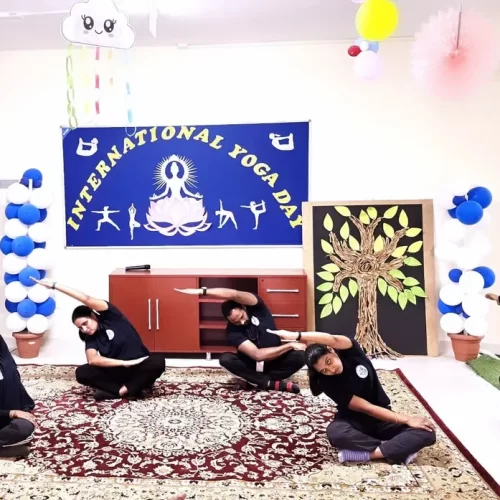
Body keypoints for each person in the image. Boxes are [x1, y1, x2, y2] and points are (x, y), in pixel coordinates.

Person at [267, 328, 437, 464]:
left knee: (427, 432)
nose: (331, 369)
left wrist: (297, 335)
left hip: (382, 417)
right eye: (324, 370)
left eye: (329, 362)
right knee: (336, 433)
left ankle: (368, 454)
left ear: (331, 350)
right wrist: (406, 420)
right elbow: (367, 408)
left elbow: (331, 338)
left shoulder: (350, 351)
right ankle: (396, 449)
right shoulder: (326, 382)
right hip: (354, 422)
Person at [32, 278, 165, 401]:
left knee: (158, 361)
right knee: (82, 372)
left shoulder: (112, 317)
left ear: (93, 315)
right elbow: (93, 359)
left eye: (85, 323)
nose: (84, 329)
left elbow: (86, 299)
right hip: (118, 370)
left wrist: (55, 286)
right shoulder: (90, 336)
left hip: (139, 365)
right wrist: (124, 363)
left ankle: (121, 390)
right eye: (80, 328)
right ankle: (127, 390)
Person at [174, 286, 305, 393]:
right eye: (236, 322)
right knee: (226, 359)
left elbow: (234, 294)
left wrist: (204, 291)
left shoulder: (258, 308)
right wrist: (289, 345)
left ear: (243, 307)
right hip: (251, 364)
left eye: (242, 316)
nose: (241, 322)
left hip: (275, 361)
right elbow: (258, 355)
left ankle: (254, 381)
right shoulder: (232, 332)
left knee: (302, 355)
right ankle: (269, 383)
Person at [0, 335, 36, 458]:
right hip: (5, 415)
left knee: (24, 427)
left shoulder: (6, 363)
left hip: (7, 419)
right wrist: (12, 413)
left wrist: (23, 411)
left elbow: (17, 391)